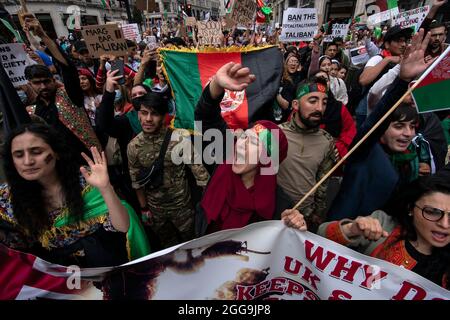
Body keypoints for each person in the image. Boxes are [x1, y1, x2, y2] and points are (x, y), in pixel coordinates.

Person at [0, 123, 150, 268]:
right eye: (18, 155)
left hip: (101, 265)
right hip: (57, 279)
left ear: (56, 152)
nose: (27, 161)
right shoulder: (7, 200)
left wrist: (105, 188)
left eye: (37, 152)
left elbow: (123, 227)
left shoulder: (87, 181)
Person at [328, 29, 438, 221]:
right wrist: (401, 80)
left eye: (412, 127)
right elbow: (377, 108)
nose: (407, 134)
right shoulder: (364, 152)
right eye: (398, 126)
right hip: (344, 239)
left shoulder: (416, 161)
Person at [194, 62, 307, 234]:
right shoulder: (223, 157)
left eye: (254, 143)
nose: (241, 146)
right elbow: (205, 116)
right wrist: (217, 83)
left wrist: (295, 225)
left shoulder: (279, 206)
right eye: (244, 137)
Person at [318, 173, 450, 289]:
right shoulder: (383, 226)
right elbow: (320, 237)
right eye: (432, 212)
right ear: (411, 209)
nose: (444, 224)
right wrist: (351, 229)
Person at [127, 93, 210, 249]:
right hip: (156, 212)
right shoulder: (133, 146)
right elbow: (136, 181)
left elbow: (201, 174)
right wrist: (144, 209)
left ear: (164, 116)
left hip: (183, 209)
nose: (148, 119)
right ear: (138, 114)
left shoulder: (179, 138)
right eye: (144, 113)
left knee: (194, 245)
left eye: (155, 114)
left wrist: (206, 207)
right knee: (167, 249)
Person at [22, 15, 101, 164]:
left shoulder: (69, 95)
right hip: (57, 171)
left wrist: (42, 35)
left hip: (88, 164)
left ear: (54, 80)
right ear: (30, 84)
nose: (43, 86)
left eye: (46, 81)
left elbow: (68, 68)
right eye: (37, 83)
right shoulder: (31, 111)